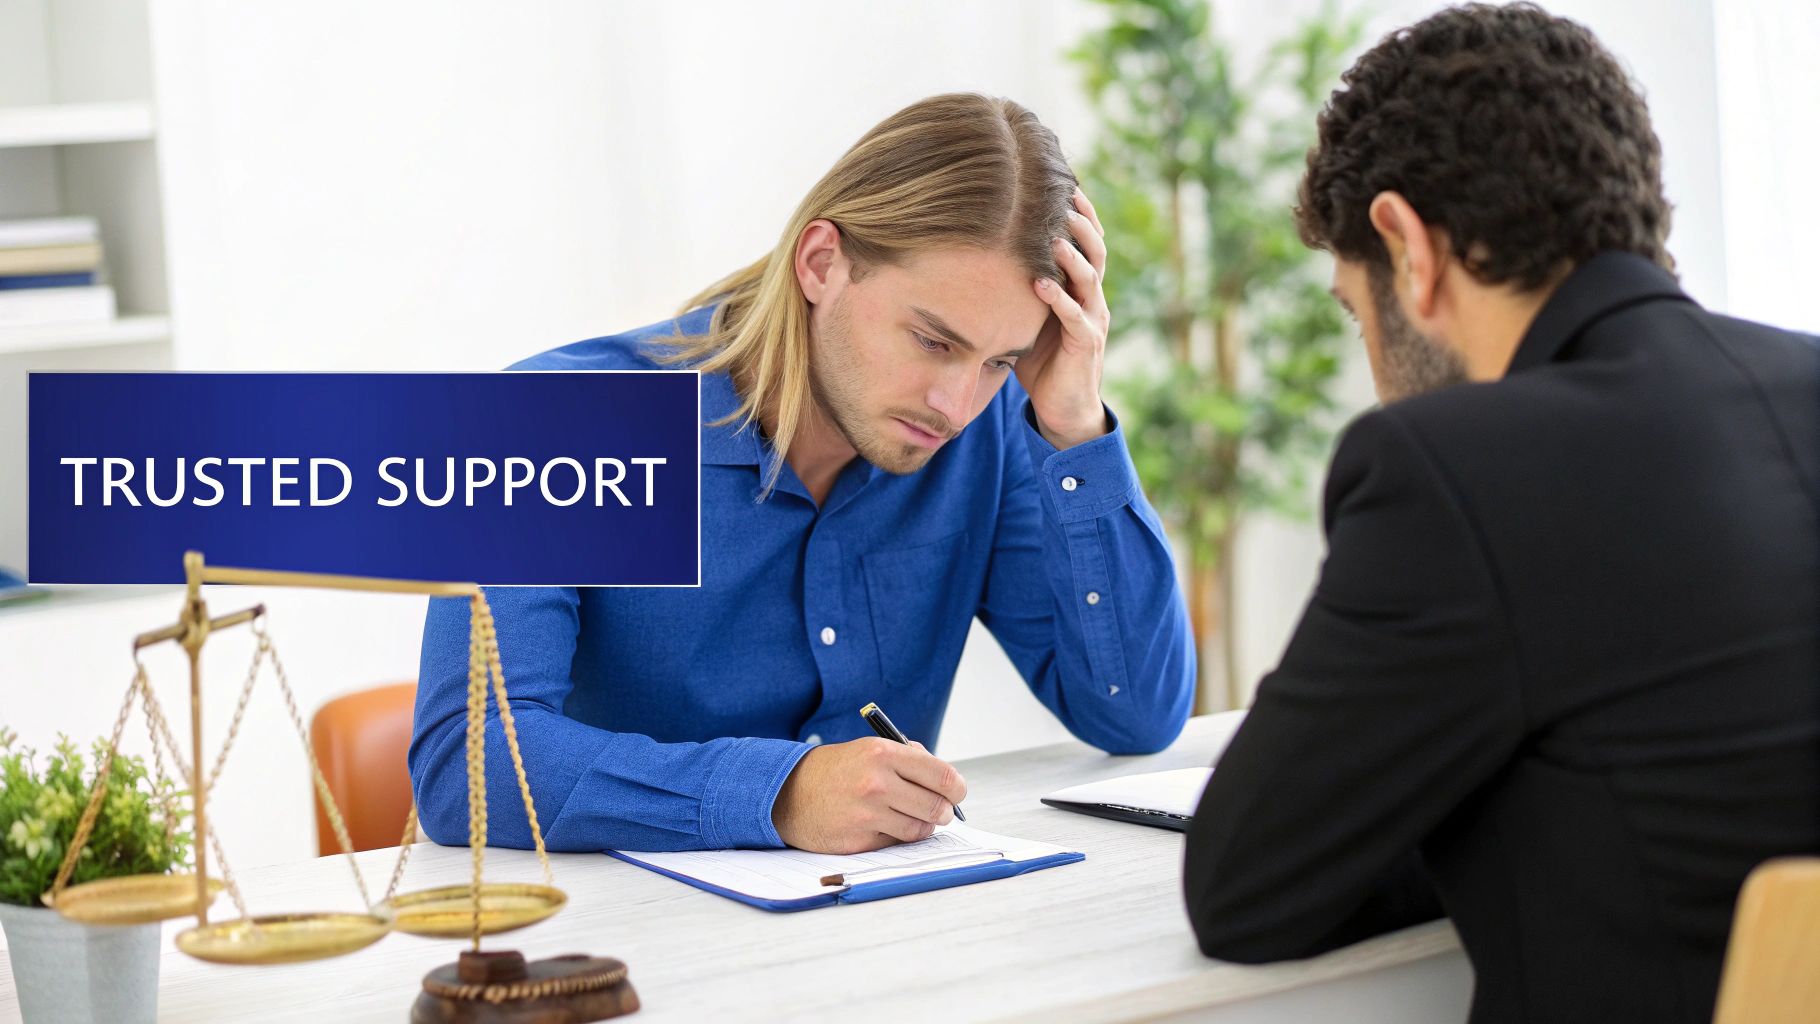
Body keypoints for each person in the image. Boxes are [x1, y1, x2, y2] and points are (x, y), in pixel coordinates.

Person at [1181, 5, 1820, 1023]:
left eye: (1356, 310)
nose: (1373, 366)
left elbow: (1244, 886)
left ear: (1406, 246)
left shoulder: (1451, 469)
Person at [412, 93, 1195, 857]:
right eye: (931, 340)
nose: (955, 403)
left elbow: (1136, 716)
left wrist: (1076, 428)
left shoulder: (984, 430)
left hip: (873, 942)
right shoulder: (547, 425)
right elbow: (465, 765)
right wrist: (778, 791)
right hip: (618, 948)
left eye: (1001, 360)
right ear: (823, 263)